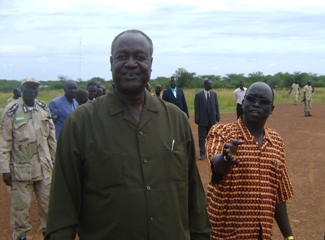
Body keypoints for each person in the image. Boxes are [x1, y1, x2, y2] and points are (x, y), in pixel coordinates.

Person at [45, 29, 211, 239]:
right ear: (111, 62)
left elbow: (193, 195)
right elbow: (63, 205)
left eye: (140, 57)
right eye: (123, 57)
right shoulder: (80, 123)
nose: (131, 63)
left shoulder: (176, 119)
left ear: (150, 63)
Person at [205, 82, 294, 240]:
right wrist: (226, 158)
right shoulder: (222, 132)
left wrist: (289, 236)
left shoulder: (276, 142)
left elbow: (279, 194)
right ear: (243, 102)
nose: (256, 104)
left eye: (264, 102)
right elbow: (217, 166)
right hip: (225, 234)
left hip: (261, 234)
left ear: (272, 108)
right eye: (251, 99)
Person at [0, 77, 56, 240]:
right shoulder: (11, 110)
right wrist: (4, 170)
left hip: (44, 168)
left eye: (35, 88)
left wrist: (55, 161)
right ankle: (20, 236)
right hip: (20, 170)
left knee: (48, 206)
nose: (32, 91)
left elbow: (51, 139)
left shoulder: (43, 109)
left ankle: (48, 234)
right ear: (22, 89)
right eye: (28, 88)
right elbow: (4, 142)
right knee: (20, 209)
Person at [194, 80, 220, 160]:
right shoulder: (198, 95)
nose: (212, 85)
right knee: (202, 137)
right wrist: (197, 118)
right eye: (210, 84)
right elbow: (196, 107)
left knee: (212, 136)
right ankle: (202, 153)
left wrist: (217, 116)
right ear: (206, 85)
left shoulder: (214, 94)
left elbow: (216, 106)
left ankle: (211, 152)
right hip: (202, 119)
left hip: (212, 119)